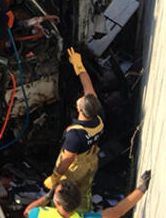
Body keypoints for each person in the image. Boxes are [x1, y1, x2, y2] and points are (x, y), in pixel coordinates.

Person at [42, 48, 104, 212]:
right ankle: (84, 210)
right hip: (91, 160)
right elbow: (88, 86)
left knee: (66, 193)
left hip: (75, 168)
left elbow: (67, 159)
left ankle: (62, 213)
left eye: (81, 100)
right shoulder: (98, 115)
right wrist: (79, 66)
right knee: (84, 191)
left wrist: (55, 176)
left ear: (80, 110)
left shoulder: (75, 135)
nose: (81, 97)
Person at [25, 173, 151, 218]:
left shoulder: (39, 214)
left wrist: (46, 197)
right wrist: (142, 188)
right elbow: (116, 212)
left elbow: (27, 212)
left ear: (57, 203)